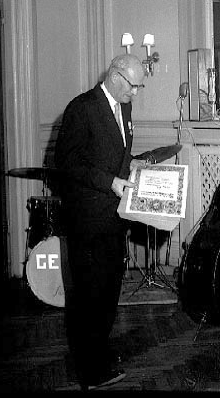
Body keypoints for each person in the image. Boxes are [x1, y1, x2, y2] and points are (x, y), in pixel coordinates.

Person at [55, 54, 147, 390]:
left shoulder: (124, 107)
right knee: (88, 297)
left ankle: (99, 356)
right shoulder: (81, 108)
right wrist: (110, 182)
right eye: (133, 86)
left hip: (113, 219)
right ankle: (88, 371)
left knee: (108, 293)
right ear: (115, 75)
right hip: (88, 220)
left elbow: (115, 154)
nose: (135, 93)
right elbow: (67, 163)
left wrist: (131, 167)